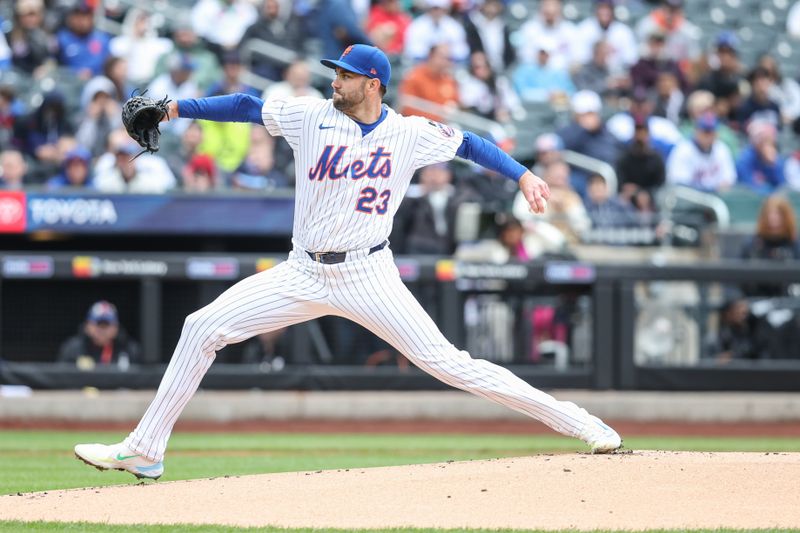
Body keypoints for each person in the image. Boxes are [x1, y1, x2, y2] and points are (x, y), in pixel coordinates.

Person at [74, 44, 622, 479]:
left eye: (345, 74)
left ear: (372, 84)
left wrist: (524, 175)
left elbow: (471, 144)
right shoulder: (310, 115)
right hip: (302, 270)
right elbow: (245, 106)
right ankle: (145, 450)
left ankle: (580, 422)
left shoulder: (408, 132)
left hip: (368, 273)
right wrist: (173, 108)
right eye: (335, 72)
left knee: (453, 365)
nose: (334, 80)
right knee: (201, 327)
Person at [58, 301, 141, 370]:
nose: (101, 330)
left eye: (106, 325)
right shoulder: (72, 349)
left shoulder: (130, 350)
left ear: (116, 328)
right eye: (98, 324)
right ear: (87, 326)